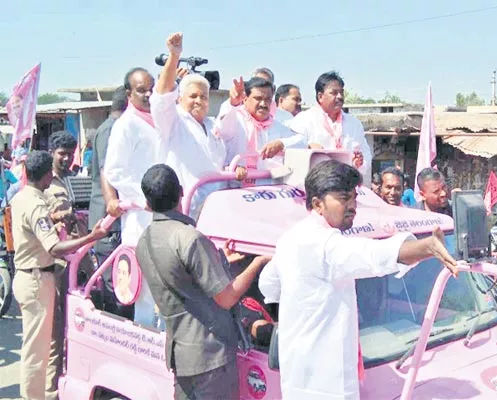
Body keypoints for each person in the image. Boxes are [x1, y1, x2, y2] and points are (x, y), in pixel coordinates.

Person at [258, 159, 458, 400]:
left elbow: (267, 284)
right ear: (317, 204)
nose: (352, 205)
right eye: (344, 199)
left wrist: (292, 319)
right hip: (327, 385)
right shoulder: (324, 244)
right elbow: (372, 255)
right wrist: (426, 247)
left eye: (354, 198)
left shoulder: (291, 237)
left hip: (299, 374)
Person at [135, 164, 270, 400]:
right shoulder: (189, 238)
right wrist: (257, 262)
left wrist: (218, 261)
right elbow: (226, 299)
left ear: (147, 204)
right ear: (181, 191)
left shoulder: (144, 241)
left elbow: (181, 282)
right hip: (210, 356)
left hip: (182, 354)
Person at [11, 150, 107, 400]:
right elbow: (53, 247)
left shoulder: (22, 197)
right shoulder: (35, 204)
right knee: (37, 350)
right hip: (36, 279)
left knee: (36, 347)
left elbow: (31, 227)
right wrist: (91, 237)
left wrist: (53, 218)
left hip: (28, 276)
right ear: (46, 177)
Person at [150, 32, 246, 220]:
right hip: (183, 210)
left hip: (214, 210)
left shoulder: (211, 126)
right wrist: (174, 56)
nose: (198, 101)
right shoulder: (172, 121)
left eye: (203, 97)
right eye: (193, 96)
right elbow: (161, 97)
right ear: (179, 98)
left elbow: (228, 131)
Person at [104, 66, 163, 327]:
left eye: (152, 88)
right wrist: (144, 198)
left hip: (165, 212)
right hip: (141, 215)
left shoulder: (161, 120)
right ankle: (145, 345)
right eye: (142, 90)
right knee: (146, 292)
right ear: (129, 93)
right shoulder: (125, 125)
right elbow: (114, 171)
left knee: (166, 285)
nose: (149, 94)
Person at [88, 86, 133, 318]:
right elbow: (108, 172)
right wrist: (114, 205)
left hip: (114, 220)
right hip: (110, 220)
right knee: (116, 286)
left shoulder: (113, 127)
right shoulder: (112, 130)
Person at [287, 71, 372, 186]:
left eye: (342, 92)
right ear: (320, 96)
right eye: (334, 93)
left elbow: (366, 155)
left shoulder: (354, 124)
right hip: (313, 188)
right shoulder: (302, 121)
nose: (340, 97)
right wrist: (309, 149)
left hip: (346, 187)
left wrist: (358, 164)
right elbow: (293, 157)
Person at [218, 77, 307, 173]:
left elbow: (303, 142)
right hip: (235, 184)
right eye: (258, 98)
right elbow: (221, 130)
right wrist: (233, 103)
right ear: (245, 99)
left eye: (268, 99)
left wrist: (281, 144)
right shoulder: (235, 118)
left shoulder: (276, 126)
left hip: (269, 184)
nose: (263, 104)